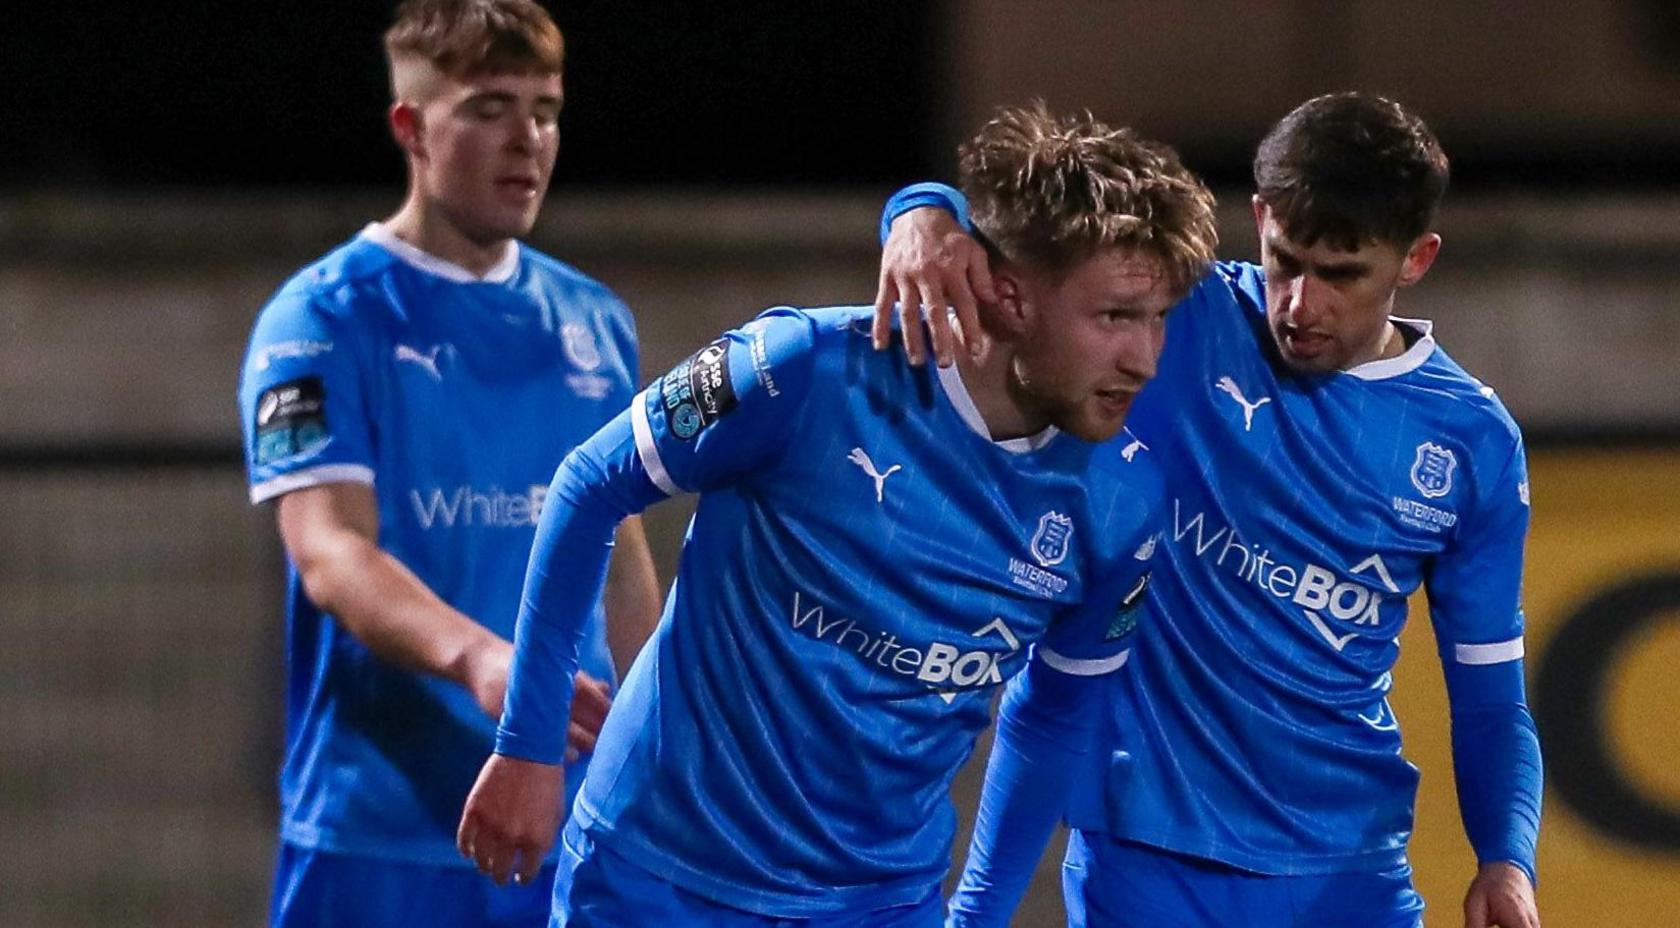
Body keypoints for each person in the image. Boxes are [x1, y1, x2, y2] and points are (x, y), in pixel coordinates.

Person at [454, 104, 1219, 926]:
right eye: (1114, 318)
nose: (1145, 359)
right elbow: (589, 483)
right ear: (1007, 295)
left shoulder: (1123, 502)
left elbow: (1057, 710)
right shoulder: (801, 369)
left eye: (1158, 318)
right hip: (656, 878)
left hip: (880, 904)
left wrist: (983, 912)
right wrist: (529, 747)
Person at [875, 93, 1542, 928]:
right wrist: (919, 214)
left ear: (1416, 259)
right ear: (1258, 217)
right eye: (1284, 260)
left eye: (1340, 275)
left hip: (1348, 875)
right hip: (1142, 861)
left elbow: (1490, 699)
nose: (1300, 304)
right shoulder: (1174, 318)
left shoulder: (1471, 443)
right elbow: (1013, 226)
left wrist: (1506, 860)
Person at [236, 0, 661, 925]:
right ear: (411, 127)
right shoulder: (321, 320)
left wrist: (664, 721)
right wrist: (483, 660)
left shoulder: (594, 319)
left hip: (573, 818)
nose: (529, 140)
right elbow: (330, 553)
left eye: (545, 111)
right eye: (489, 109)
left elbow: (619, 545)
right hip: (384, 828)